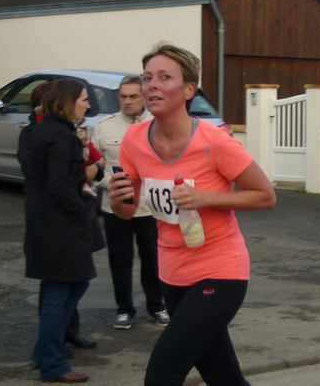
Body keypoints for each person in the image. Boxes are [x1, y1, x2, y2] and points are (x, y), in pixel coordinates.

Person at [108, 44, 276, 386]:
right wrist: (116, 201)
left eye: (164, 77)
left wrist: (205, 198)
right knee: (223, 378)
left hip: (220, 269)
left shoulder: (216, 142)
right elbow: (127, 210)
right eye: (147, 78)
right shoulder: (134, 139)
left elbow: (265, 196)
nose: (152, 85)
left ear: (188, 90)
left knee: (161, 375)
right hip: (172, 273)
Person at [20, 78, 97, 384]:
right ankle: (52, 363)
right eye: (83, 99)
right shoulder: (60, 134)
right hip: (58, 224)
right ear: (67, 101)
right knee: (60, 289)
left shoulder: (47, 129)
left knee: (73, 285)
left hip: (46, 219)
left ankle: (44, 353)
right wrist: (79, 207)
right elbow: (58, 183)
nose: (88, 105)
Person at [93, 74, 167, 330]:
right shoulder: (105, 127)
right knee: (120, 260)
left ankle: (156, 306)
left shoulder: (158, 124)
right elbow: (93, 166)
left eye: (133, 96)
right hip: (115, 205)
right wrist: (110, 184)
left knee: (153, 259)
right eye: (123, 97)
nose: (127, 101)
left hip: (150, 206)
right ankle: (124, 309)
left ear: (144, 96)